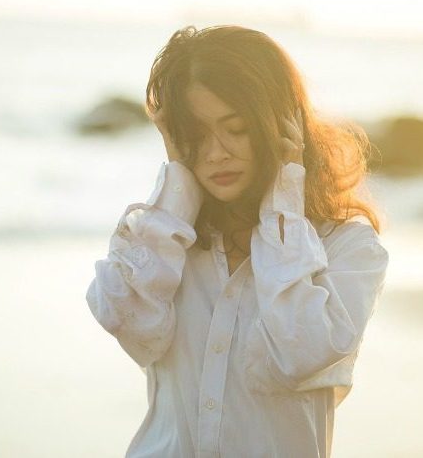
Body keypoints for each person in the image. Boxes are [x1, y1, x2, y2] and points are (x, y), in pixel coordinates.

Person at [85, 25, 389, 457]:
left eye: (237, 128)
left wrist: (285, 192)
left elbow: (301, 353)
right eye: (196, 134)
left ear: (283, 125)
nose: (216, 152)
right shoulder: (166, 240)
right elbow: (134, 328)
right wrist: (175, 188)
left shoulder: (348, 248)